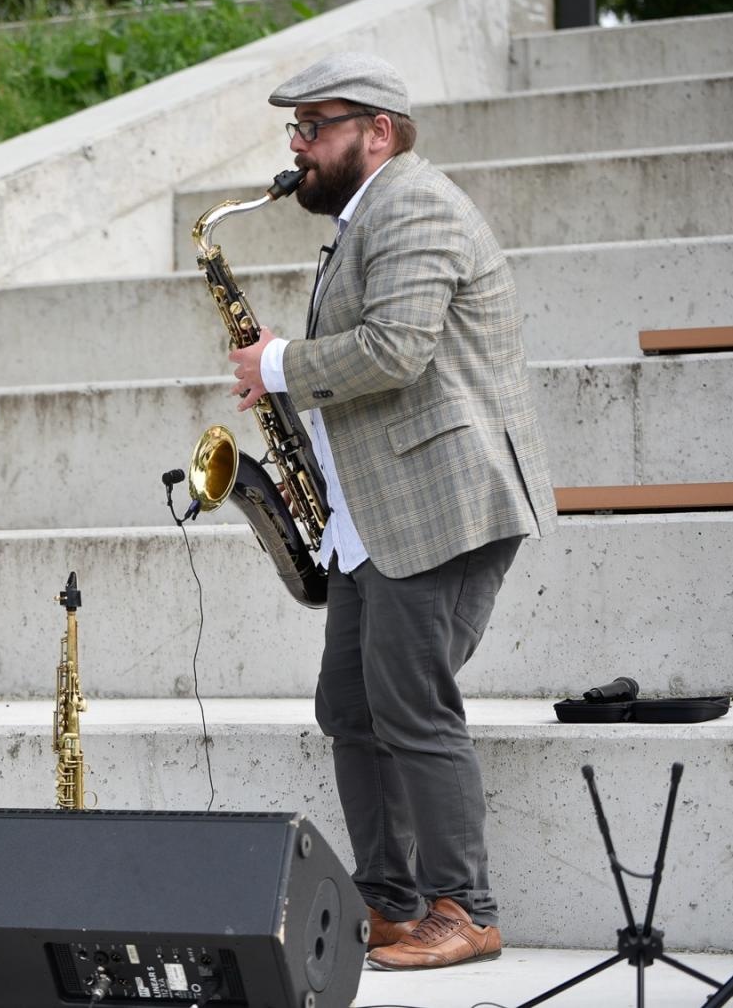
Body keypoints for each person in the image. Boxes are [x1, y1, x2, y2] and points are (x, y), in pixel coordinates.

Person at [226, 53, 556, 970]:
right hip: (372, 511)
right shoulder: (364, 217)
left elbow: (397, 350)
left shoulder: (414, 207)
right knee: (349, 705)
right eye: (294, 129)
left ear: (378, 131)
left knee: (412, 705)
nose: (298, 147)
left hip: (439, 501)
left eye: (315, 126)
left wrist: (281, 364)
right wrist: (287, 383)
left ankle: (467, 909)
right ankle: (391, 903)